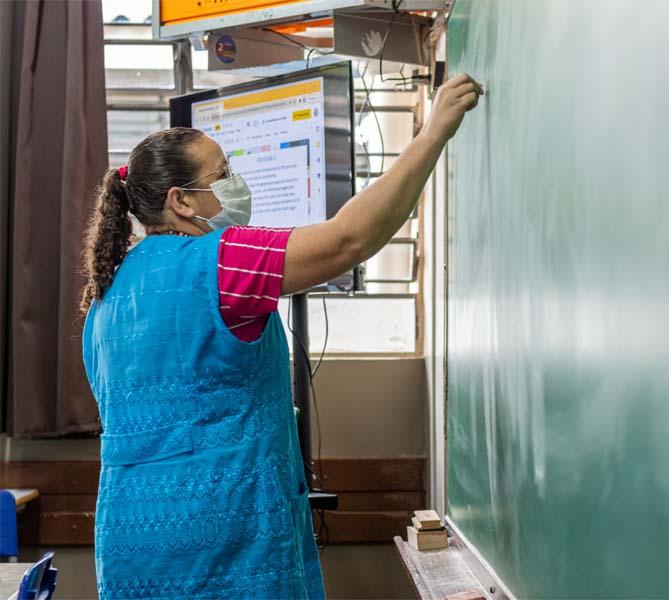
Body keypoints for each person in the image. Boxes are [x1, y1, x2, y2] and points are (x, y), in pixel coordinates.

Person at [80, 73, 482, 599]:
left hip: (133, 549)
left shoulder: (104, 296)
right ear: (181, 201)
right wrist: (431, 135)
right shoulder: (221, 260)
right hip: (227, 547)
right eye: (223, 174)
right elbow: (349, 239)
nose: (234, 184)